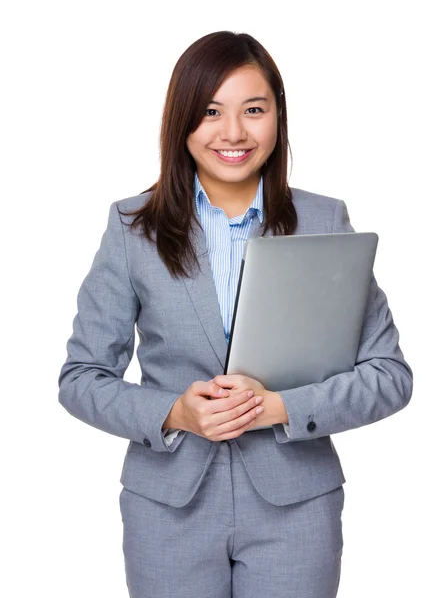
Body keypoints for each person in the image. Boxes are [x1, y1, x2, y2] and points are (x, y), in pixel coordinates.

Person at [58, 30, 413, 598]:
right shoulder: (133, 228)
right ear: (182, 122)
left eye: (254, 110)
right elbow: (81, 379)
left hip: (296, 507)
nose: (233, 133)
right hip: (167, 509)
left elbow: (389, 376)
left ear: (278, 115)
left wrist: (282, 408)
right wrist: (174, 413)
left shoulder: (324, 221)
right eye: (210, 111)